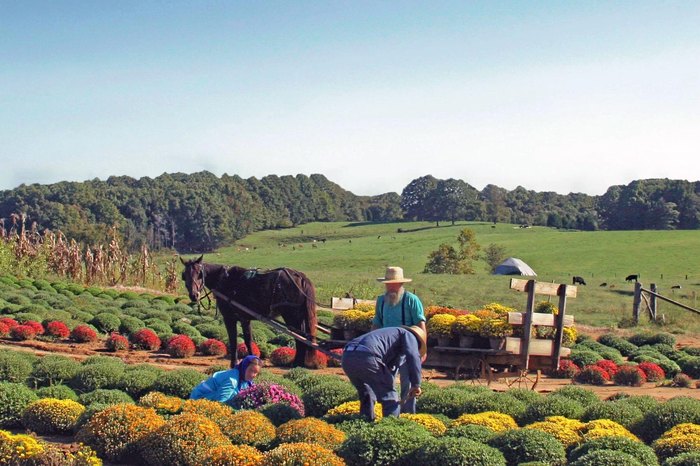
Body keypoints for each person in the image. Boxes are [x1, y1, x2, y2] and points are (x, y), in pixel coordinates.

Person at [371, 266, 427, 413]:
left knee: (407, 383)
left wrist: (423, 347)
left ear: (401, 284)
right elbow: (377, 322)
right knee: (386, 381)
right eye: (387, 284)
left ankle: (408, 414)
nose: (389, 287)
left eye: (392, 284)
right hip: (387, 348)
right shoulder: (381, 301)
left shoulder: (411, 300)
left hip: (407, 347)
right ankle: (391, 413)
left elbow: (421, 324)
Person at [341, 325, 427, 421]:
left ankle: (364, 424)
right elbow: (413, 355)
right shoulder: (409, 335)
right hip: (367, 356)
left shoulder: (391, 335)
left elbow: (390, 368)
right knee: (390, 397)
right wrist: (416, 384)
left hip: (347, 356)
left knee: (367, 394)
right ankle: (390, 427)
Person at [190, 355, 262, 405]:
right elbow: (220, 401)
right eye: (251, 370)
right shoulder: (232, 380)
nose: (253, 375)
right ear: (244, 367)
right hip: (198, 400)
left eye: (256, 372)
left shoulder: (245, 380)